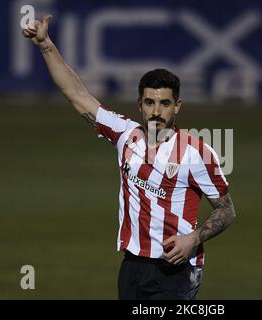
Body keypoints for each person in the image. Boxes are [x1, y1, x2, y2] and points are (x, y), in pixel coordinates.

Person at [22, 15, 236, 300]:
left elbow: (227, 210)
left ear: (177, 107)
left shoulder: (196, 152)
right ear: (139, 104)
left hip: (176, 269)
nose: (156, 111)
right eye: (149, 102)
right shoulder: (124, 133)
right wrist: (45, 45)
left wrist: (193, 239)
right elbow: (78, 95)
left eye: (165, 103)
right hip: (132, 266)